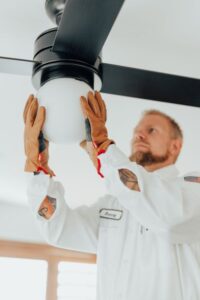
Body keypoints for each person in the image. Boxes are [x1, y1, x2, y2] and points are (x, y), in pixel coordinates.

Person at [24, 92, 200, 300]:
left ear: (175, 146)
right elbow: (59, 230)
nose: (139, 135)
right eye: (137, 132)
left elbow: (168, 218)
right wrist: (38, 170)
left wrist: (104, 151)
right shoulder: (113, 203)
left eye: (151, 130)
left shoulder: (191, 187)